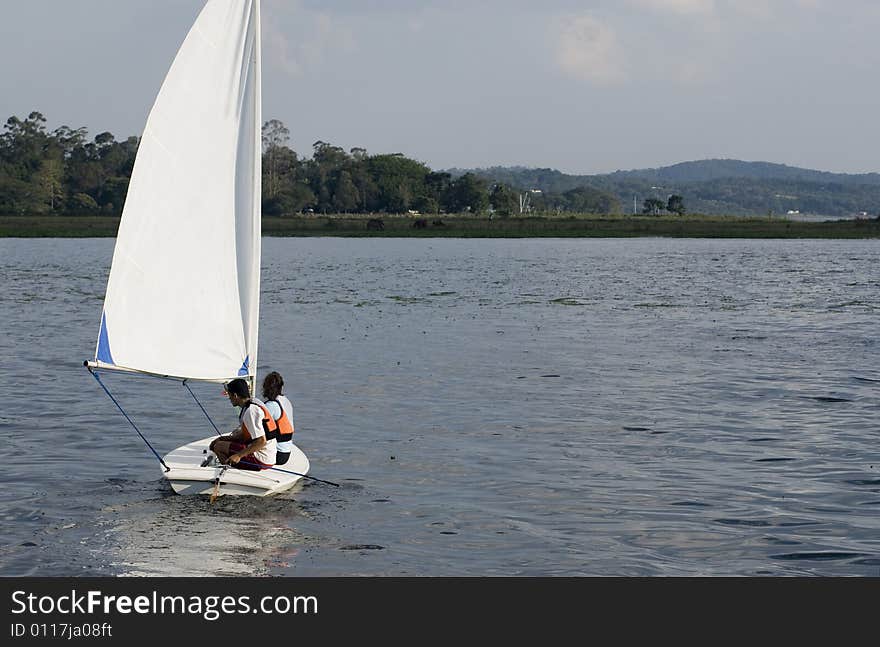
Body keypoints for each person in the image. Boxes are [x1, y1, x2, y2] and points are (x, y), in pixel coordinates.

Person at [208, 378, 277, 470]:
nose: (229, 398)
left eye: (230, 395)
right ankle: (230, 465)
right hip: (262, 453)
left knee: (218, 447)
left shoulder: (251, 411)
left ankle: (228, 470)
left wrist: (238, 456)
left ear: (235, 395)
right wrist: (222, 438)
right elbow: (246, 437)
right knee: (218, 443)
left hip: (262, 459)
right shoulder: (252, 403)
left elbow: (261, 441)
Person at [261, 371, 295, 465]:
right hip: (286, 451)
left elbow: (255, 426)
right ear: (281, 387)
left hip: (277, 455)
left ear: (265, 388)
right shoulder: (286, 401)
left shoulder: (271, 405)